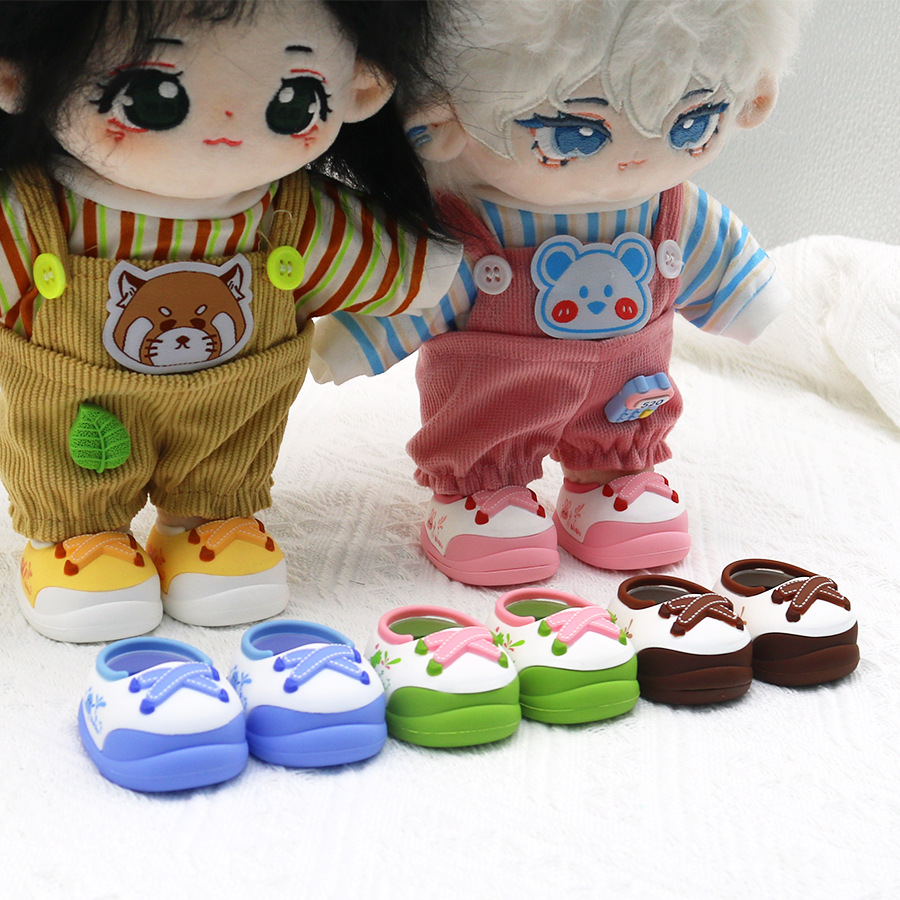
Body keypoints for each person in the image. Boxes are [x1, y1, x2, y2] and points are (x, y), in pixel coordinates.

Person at [0, 0, 460, 641]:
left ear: (360, 87)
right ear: (18, 78)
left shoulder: (294, 215)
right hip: (78, 422)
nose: (225, 126)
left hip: (231, 422)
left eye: (292, 101)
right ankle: (75, 532)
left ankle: (209, 520)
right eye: (151, 95)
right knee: (74, 457)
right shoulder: (34, 213)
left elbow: (412, 271)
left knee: (226, 450)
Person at [312, 0, 809, 586]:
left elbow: (720, 259)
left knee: (622, 417)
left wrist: (752, 299)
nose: (633, 157)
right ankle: (480, 487)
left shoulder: (671, 208)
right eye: (572, 133)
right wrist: (348, 342)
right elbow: (415, 284)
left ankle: (611, 475)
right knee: (488, 425)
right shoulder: (467, 225)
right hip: (495, 396)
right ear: (441, 118)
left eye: (691, 123)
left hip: (627, 390)